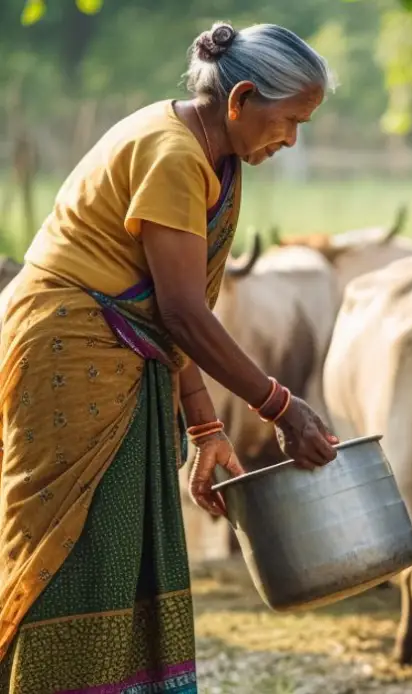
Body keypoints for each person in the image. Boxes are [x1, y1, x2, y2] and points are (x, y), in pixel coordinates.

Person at [0, 21, 339, 693]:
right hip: (68, 355)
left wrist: (207, 428)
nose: (291, 140)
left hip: (125, 354)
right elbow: (182, 312)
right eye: (290, 121)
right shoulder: (173, 154)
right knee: (72, 549)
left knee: (124, 542)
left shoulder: (218, 158)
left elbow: (168, 312)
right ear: (241, 99)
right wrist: (280, 406)